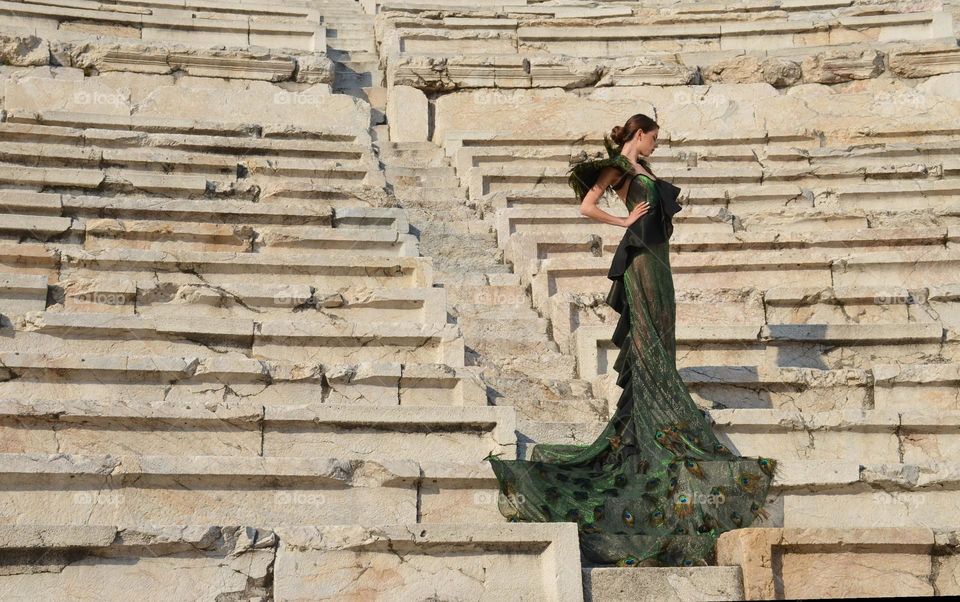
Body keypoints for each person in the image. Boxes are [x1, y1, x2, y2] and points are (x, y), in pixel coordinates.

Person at [483, 113, 778, 567]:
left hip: (658, 262)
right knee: (648, 342)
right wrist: (623, 223)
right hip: (639, 259)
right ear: (640, 134)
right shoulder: (619, 165)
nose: (657, 146)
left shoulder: (645, 169)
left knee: (661, 336)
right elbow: (587, 206)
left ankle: (649, 428)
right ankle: (654, 430)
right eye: (655, 138)